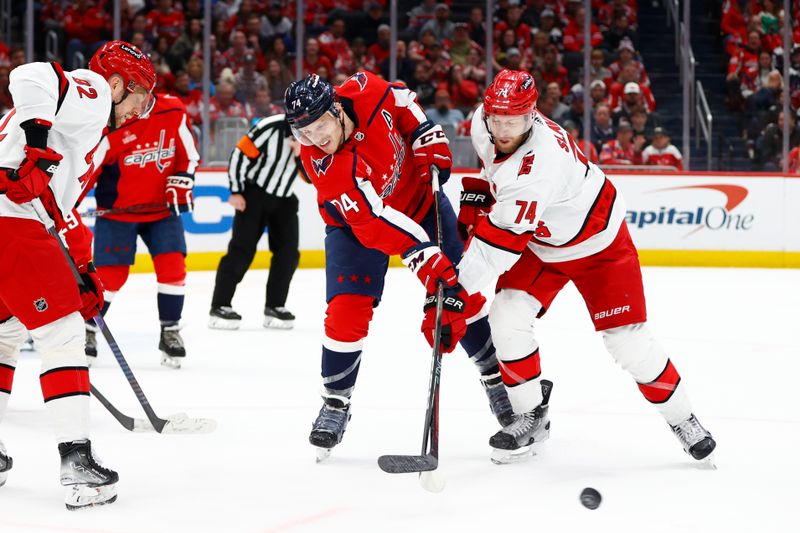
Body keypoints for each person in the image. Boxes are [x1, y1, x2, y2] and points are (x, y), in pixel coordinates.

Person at [449, 69, 716, 464]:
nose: (503, 129)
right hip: (543, 241)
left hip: (599, 245)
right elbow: (494, 174)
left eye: (514, 120)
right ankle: (529, 416)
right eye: (498, 118)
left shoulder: (540, 167)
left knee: (627, 342)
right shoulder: (482, 122)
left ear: (532, 116)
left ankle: (684, 418)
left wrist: (454, 293)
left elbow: (495, 251)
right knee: (506, 315)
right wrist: (482, 192)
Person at [284, 72, 512, 460]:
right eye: (303, 134)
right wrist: (421, 253)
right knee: (345, 312)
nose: (315, 139)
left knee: (460, 294)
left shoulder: (364, 90)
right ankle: (335, 403)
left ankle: (497, 382)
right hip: (357, 230)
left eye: (320, 126)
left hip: (420, 203)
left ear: (336, 109)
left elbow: (401, 99)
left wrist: (424, 132)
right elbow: (374, 223)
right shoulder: (323, 165)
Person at [0, 40, 155, 509]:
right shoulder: (92, 93)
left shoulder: (85, 124)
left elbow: (53, 205)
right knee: (64, 334)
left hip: (19, 217)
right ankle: (77, 463)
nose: (139, 112)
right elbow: (29, 74)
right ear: (115, 84)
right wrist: (37, 140)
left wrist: (81, 269)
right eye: (139, 98)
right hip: (12, 219)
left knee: (6, 336)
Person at [86, 90, 199, 369]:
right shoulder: (110, 122)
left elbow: (190, 156)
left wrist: (183, 178)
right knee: (111, 277)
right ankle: (87, 330)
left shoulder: (172, 110)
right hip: (118, 213)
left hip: (162, 211)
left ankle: (170, 331)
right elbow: (87, 172)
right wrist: (64, 204)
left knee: (172, 267)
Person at [209, 114, 304, 330]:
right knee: (242, 251)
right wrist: (236, 190)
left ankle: (275, 306)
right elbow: (239, 155)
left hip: (285, 198)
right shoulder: (269, 127)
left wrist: (300, 156)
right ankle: (220, 305)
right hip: (255, 195)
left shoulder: (316, 132)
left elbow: (310, 177)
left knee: (288, 254)